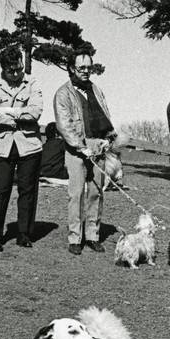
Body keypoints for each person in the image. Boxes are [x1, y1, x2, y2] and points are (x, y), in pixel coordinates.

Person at [0, 45, 44, 252]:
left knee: (28, 191)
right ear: (3, 69)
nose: (16, 74)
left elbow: (35, 112)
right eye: (11, 71)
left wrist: (6, 111)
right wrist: (19, 113)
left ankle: (24, 234)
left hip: (29, 146)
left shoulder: (32, 82)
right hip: (3, 145)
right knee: (1, 190)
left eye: (19, 69)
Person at [54, 50, 115, 255]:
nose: (86, 71)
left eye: (89, 67)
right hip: (77, 149)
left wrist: (108, 139)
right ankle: (75, 237)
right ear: (72, 68)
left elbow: (105, 115)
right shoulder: (63, 93)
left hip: (98, 146)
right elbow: (65, 125)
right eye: (82, 68)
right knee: (77, 193)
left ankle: (93, 235)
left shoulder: (96, 90)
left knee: (96, 192)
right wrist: (81, 147)